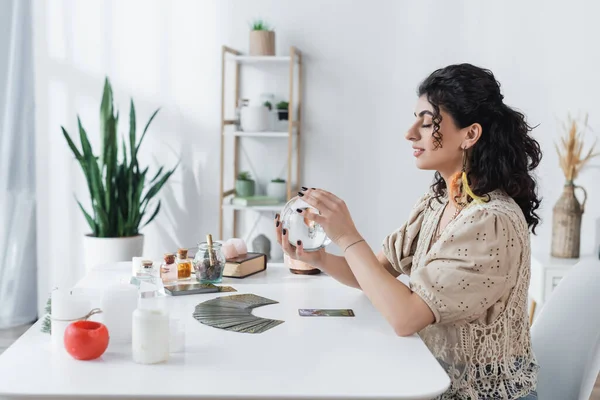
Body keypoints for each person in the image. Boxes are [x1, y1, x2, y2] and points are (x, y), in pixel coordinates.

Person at [275, 64, 541, 399]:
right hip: (430, 377)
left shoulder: (491, 221)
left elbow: (406, 317)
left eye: (428, 122)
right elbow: (371, 273)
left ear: (470, 135)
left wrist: (347, 235)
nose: (410, 132)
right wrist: (317, 256)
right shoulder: (437, 202)